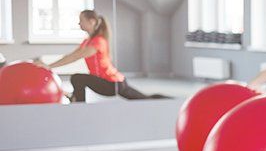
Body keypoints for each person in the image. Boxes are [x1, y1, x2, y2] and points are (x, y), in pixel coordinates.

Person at [35, 10, 167, 102]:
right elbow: (72, 54)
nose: (79, 23)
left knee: (77, 78)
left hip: (112, 84)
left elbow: (75, 57)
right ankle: (75, 98)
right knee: (145, 99)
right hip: (113, 82)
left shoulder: (98, 41)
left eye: (81, 20)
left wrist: (49, 66)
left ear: (92, 21)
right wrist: (48, 65)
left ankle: (78, 104)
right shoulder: (88, 40)